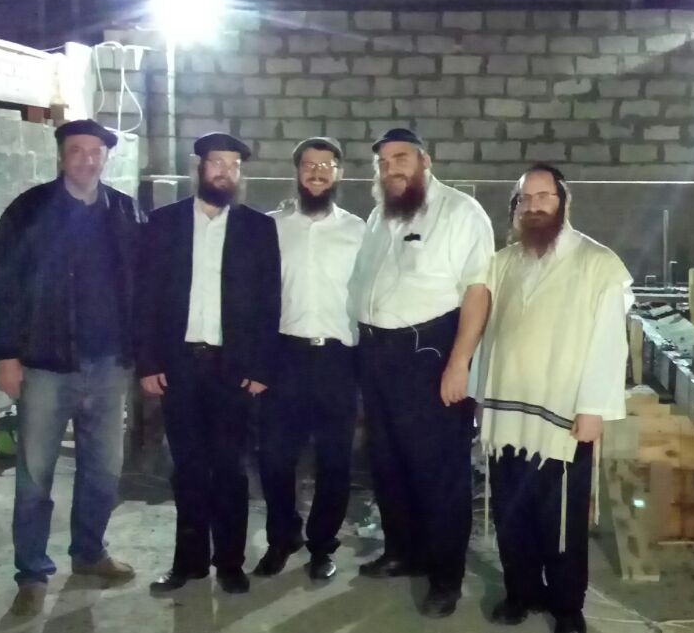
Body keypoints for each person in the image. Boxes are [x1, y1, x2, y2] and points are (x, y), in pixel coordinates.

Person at [0, 119, 141, 618]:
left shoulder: (126, 212)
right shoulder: (29, 211)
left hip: (109, 365)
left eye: (95, 152)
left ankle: (89, 553)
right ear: (61, 156)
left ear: (105, 157)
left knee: (103, 470)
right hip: (46, 365)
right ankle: (32, 574)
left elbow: (145, 284)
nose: (87, 160)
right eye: (77, 150)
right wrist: (5, 353)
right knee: (35, 476)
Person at [474, 163, 634, 633]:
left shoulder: (598, 263)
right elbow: (486, 334)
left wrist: (594, 408)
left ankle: (566, 606)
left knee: (560, 518)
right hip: (506, 415)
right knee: (511, 511)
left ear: (563, 203)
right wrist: (479, 396)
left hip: (562, 417)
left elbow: (609, 342)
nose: (535, 206)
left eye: (545, 196)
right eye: (525, 198)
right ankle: (520, 591)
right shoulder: (503, 263)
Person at [350, 128, 494, 618]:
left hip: (430, 356)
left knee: (439, 472)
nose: (391, 167)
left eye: (401, 157)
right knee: (388, 462)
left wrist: (460, 364)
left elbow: (478, 292)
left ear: (424, 160)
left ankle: (444, 578)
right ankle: (403, 551)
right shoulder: (380, 215)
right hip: (377, 355)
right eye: (383, 161)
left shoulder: (460, 212)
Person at [135, 132, 280, 595]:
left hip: (232, 368)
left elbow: (269, 303)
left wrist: (261, 368)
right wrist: (148, 361)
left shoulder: (258, 228)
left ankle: (230, 562)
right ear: (199, 167)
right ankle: (189, 562)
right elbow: (146, 297)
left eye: (233, 165)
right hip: (180, 365)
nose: (225, 172)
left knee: (231, 469)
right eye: (217, 162)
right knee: (188, 468)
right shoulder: (164, 223)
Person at [254, 137, 366, 581]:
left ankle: (323, 545)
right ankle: (283, 537)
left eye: (326, 165)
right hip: (284, 357)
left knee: (334, 461)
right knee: (275, 458)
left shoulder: (358, 230)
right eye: (309, 165)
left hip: (338, 359)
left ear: (339, 173)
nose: (317, 172)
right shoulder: (271, 227)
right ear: (297, 172)